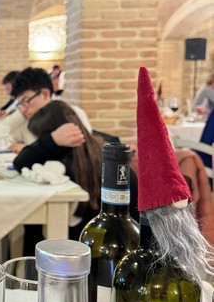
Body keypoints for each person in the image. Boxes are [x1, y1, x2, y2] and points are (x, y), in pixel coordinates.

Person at [13, 101, 139, 242]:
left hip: (87, 240)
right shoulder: (100, 145)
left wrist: (51, 140)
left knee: (32, 225)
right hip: (123, 236)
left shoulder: (62, 163)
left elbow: (20, 163)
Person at [0, 67, 91, 153]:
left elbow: (82, 155)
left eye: (26, 101)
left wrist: (30, 151)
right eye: (19, 104)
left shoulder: (72, 114)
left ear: (45, 94)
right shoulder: (25, 120)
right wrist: (18, 115)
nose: (23, 109)